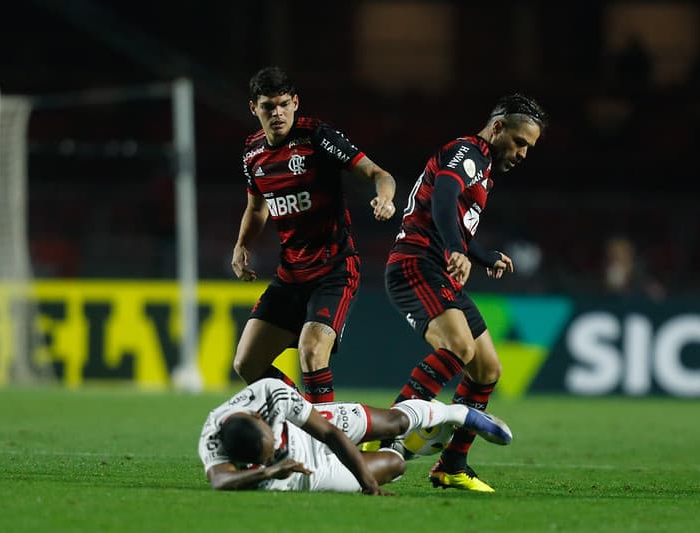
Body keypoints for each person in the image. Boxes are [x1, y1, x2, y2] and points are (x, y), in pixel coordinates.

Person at [379, 93, 547, 492]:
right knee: (459, 349)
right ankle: (384, 438)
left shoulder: (484, 168)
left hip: (440, 270)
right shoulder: (469, 151)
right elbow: (443, 197)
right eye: (520, 142)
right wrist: (456, 248)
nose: (523, 153)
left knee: (487, 369)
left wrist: (481, 255)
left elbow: (454, 216)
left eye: (530, 148)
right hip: (416, 263)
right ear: (497, 127)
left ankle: (451, 465)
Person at [231, 66, 397, 403]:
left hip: (333, 270)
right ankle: (313, 418)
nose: (277, 113)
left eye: (282, 104)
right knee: (247, 363)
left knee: (310, 351)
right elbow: (257, 208)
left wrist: (385, 197)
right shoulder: (252, 153)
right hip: (290, 275)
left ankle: (325, 447)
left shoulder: (317, 137)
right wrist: (241, 246)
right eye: (267, 106)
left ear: (295, 102)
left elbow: (379, 173)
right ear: (254, 108)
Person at [197, 377, 512, 493]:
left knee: (392, 422)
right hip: (298, 476)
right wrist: (271, 470)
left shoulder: (271, 393)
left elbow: (330, 434)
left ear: (258, 418)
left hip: (304, 430)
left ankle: (457, 413)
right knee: (396, 465)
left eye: (270, 445)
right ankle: (411, 448)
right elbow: (220, 480)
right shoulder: (212, 437)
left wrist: (367, 485)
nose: (273, 450)